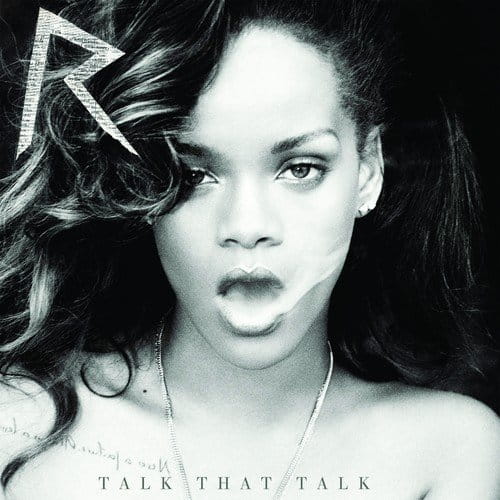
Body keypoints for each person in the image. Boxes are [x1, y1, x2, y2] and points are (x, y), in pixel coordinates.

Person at [0, 0, 499, 498]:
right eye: (194, 175)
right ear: (140, 188)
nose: (247, 226)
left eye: (300, 169)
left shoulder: (451, 453)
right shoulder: (20, 429)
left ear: (368, 170)